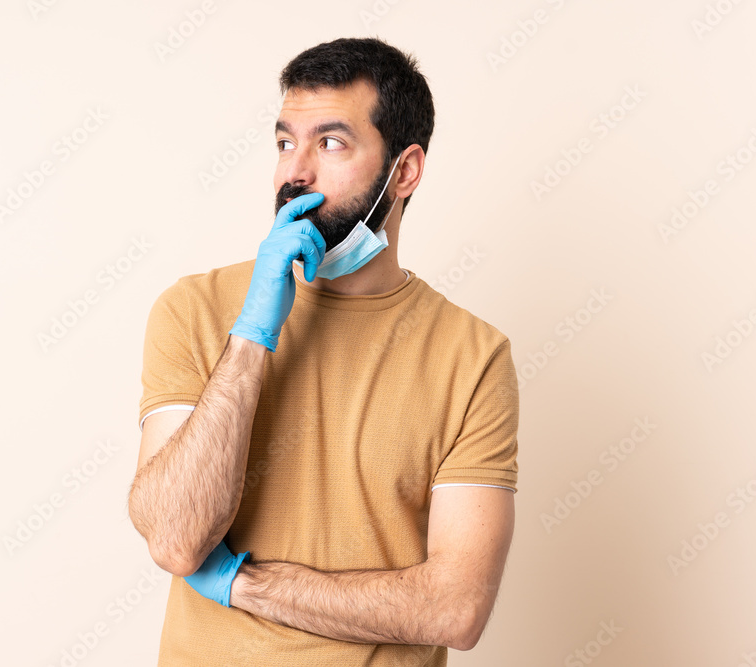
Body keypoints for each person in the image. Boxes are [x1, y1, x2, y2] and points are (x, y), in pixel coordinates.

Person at [128, 36, 519, 666]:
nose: (296, 173)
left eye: (331, 143)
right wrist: (251, 336)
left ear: (405, 172)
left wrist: (243, 585)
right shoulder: (194, 310)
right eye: (286, 143)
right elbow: (177, 540)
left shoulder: (473, 357)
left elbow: (456, 608)